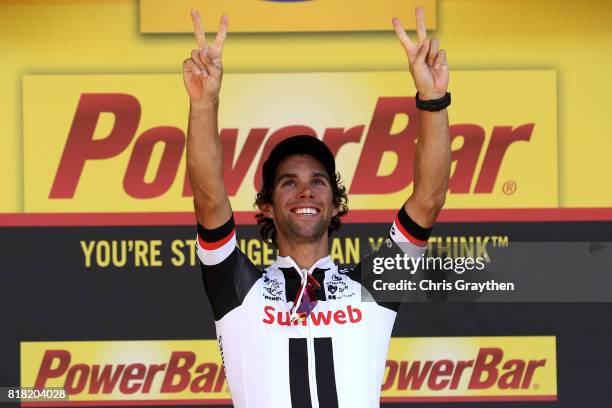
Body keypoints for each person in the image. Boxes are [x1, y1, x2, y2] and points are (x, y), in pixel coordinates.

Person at [183, 6, 450, 408]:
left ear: (337, 204)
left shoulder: (370, 289)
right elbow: (208, 197)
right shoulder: (237, 289)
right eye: (289, 183)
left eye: (318, 182)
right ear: (267, 206)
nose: (305, 193)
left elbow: (428, 200)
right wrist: (204, 105)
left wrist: (432, 99)